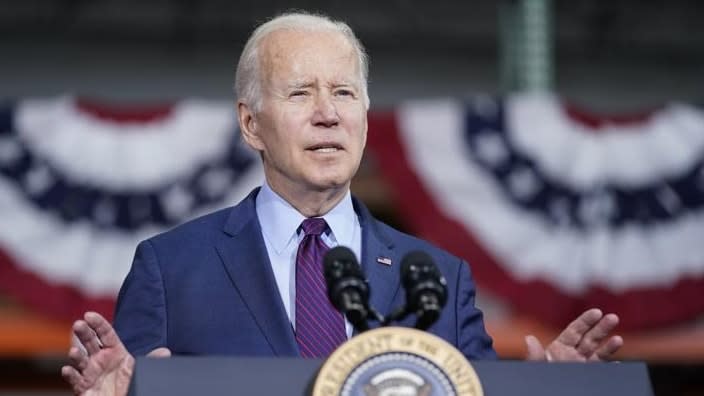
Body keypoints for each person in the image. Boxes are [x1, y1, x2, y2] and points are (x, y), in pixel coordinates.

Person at [61, 11, 623, 395]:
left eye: (345, 93)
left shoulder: (438, 281)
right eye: (301, 92)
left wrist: (542, 390)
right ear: (251, 123)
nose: (327, 113)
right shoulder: (171, 268)